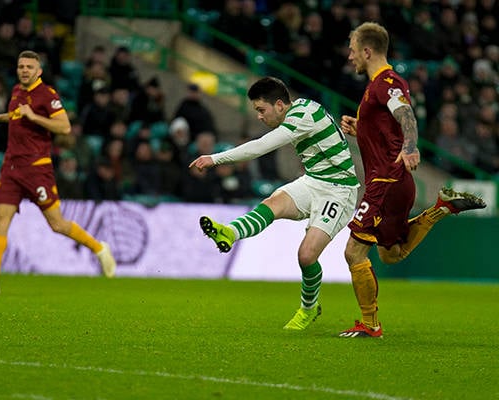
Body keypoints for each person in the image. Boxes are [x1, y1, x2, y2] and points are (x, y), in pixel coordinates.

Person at [339, 22, 486, 338]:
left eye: (352, 50)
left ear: (367, 50)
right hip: (392, 183)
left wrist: (410, 146)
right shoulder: (374, 87)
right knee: (390, 254)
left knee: (353, 252)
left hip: (386, 182)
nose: (349, 56)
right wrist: (361, 127)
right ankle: (441, 209)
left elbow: (405, 115)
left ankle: (370, 324)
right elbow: (386, 125)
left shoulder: (386, 82)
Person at [189, 76, 360, 330]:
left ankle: (309, 308)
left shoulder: (301, 117)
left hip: (339, 191)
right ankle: (230, 232)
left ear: (280, 105)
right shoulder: (303, 108)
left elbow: (260, 147)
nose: (259, 116)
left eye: (261, 110)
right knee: (273, 203)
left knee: (306, 255)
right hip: (314, 181)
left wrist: (214, 159)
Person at [0, 50, 116, 296]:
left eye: (29, 67)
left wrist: (34, 116)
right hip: (12, 168)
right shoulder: (16, 91)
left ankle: (99, 248)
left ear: (39, 71)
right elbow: (17, 117)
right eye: (21, 66)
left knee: (56, 224)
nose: (24, 70)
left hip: (37, 170)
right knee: (0, 220)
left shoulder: (47, 95)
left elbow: (65, 127)